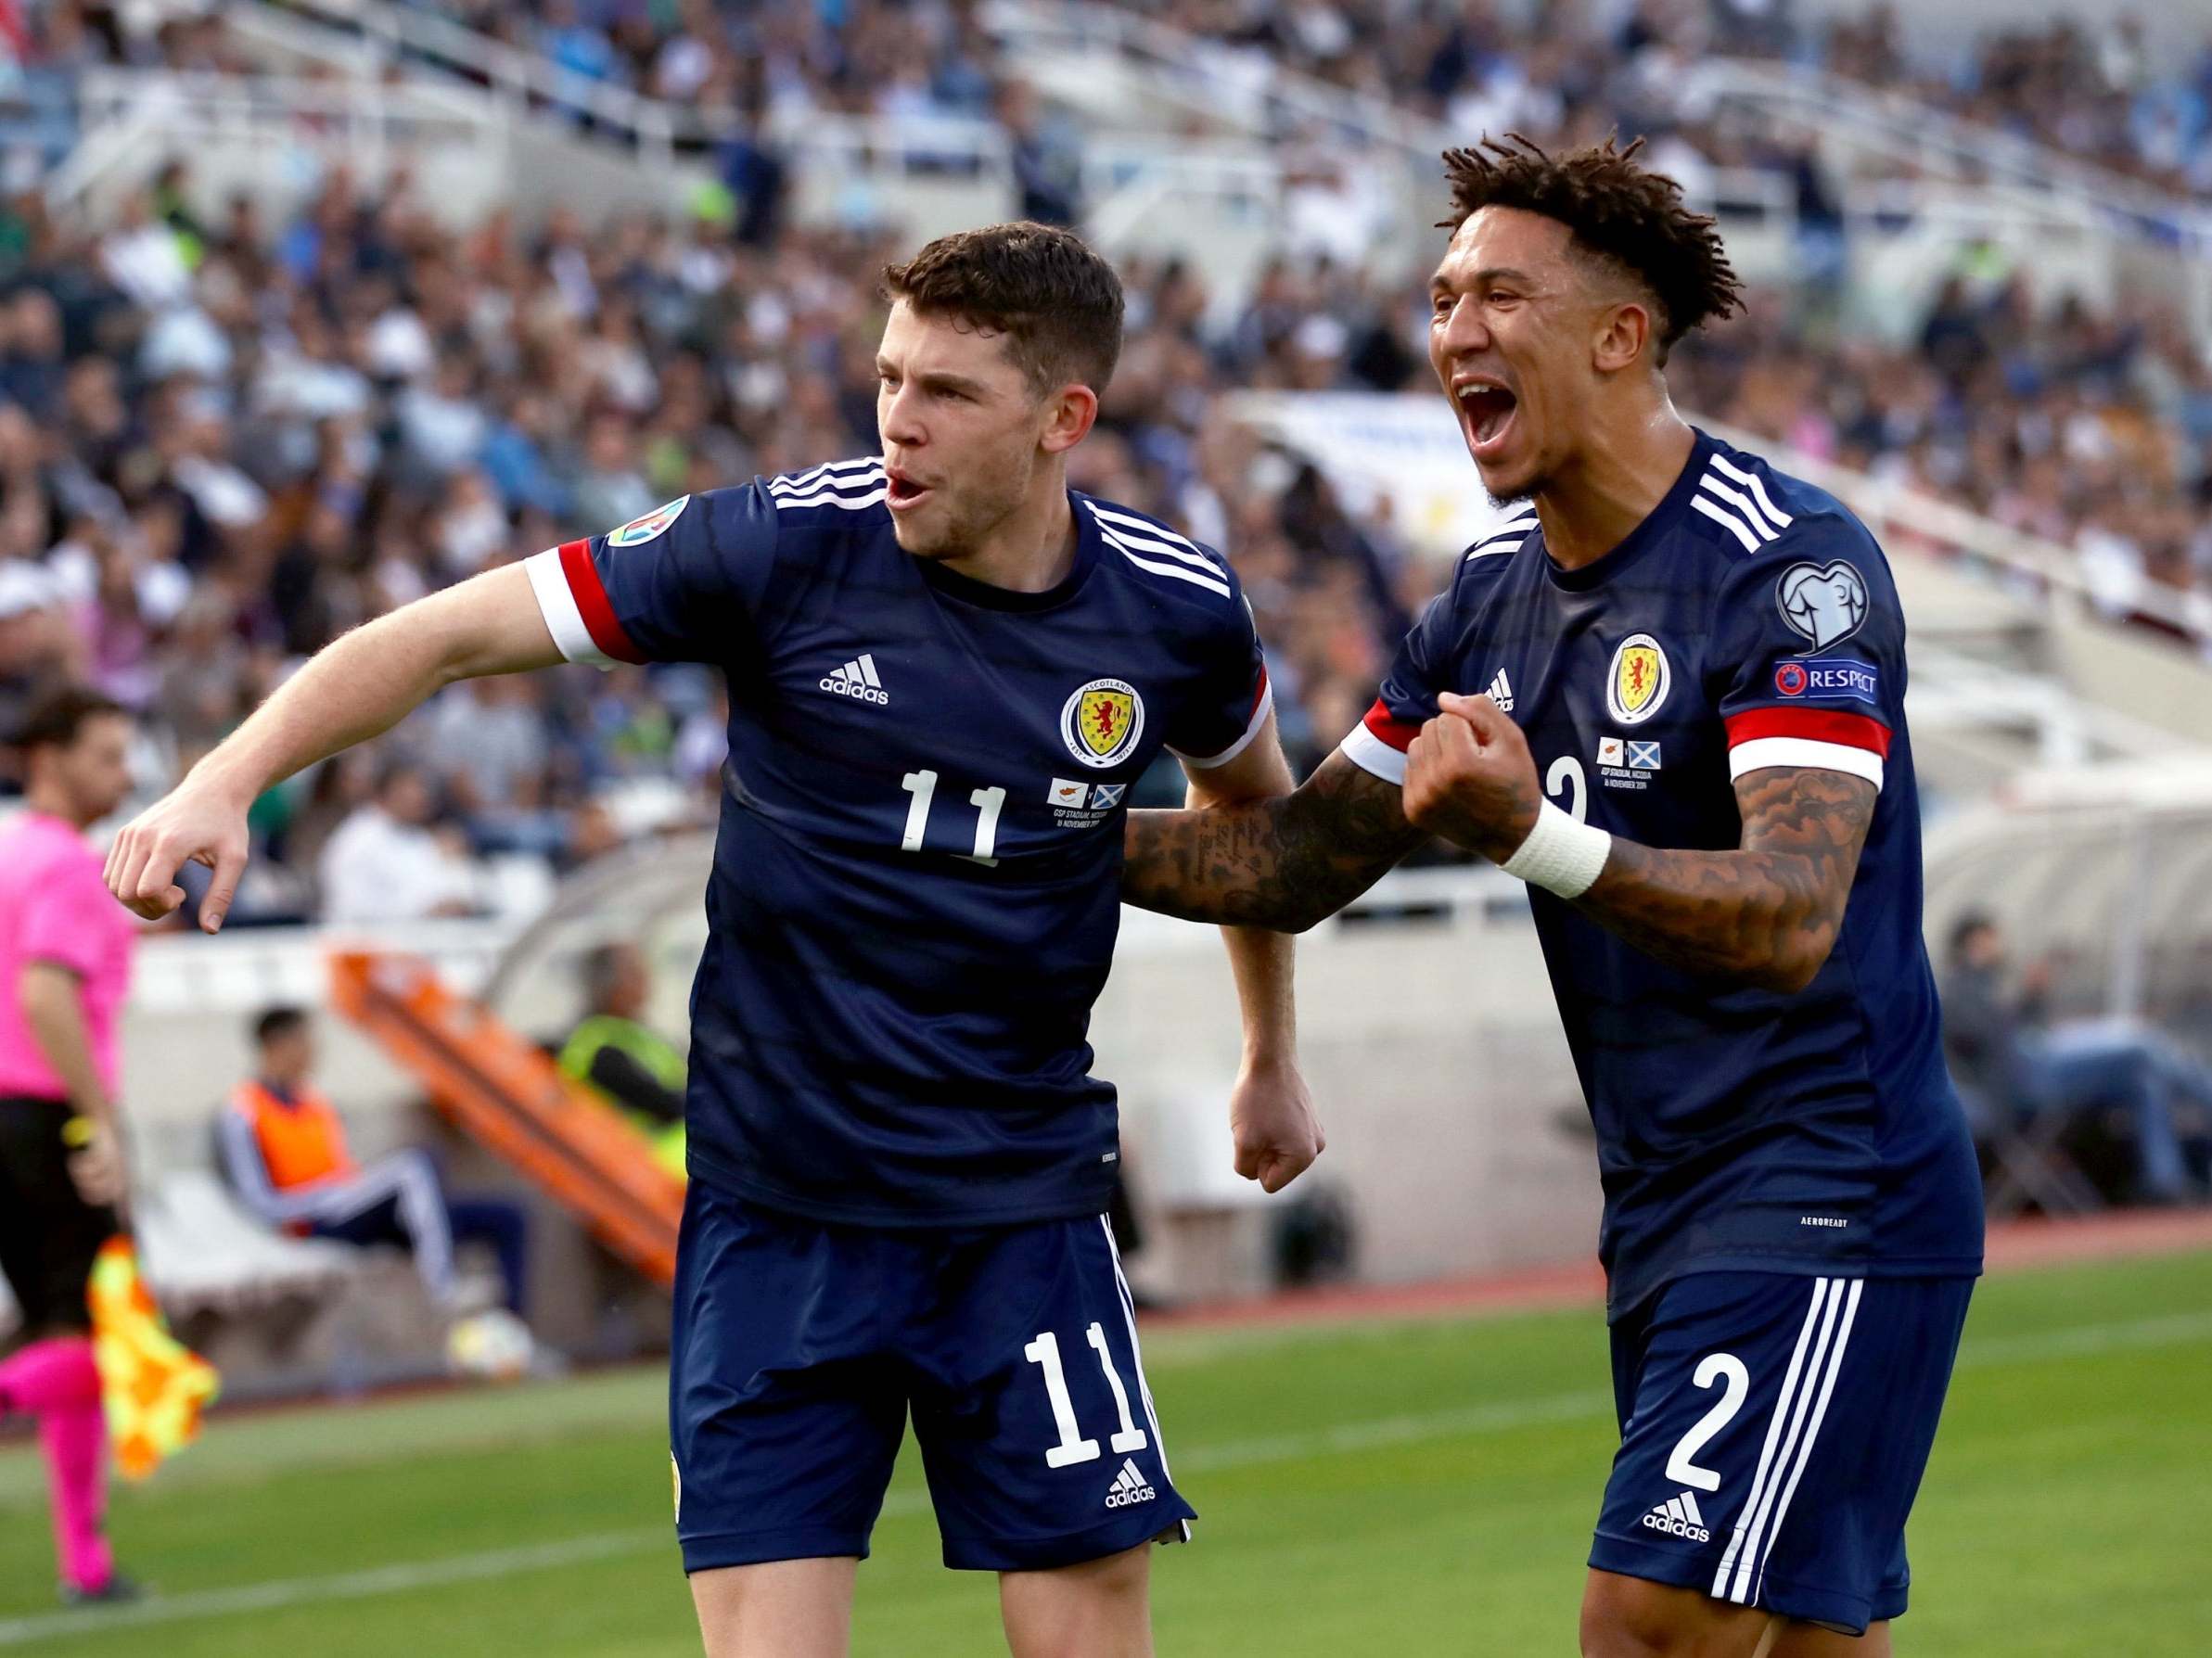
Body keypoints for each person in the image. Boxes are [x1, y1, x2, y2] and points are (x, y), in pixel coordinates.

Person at [102, 221, 1320, 1658]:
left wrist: (1269, 1057)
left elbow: (1260, 831)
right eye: (887, 379)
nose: (898, 424)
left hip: (1023, 1210)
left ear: (1064, 420)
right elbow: (440, 633)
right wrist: (224, 779)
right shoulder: (780, 546)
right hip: (778, 1217)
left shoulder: (1173, 611)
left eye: (946, 393)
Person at [1119, 136, 1984, 1657]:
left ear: (1618, 335)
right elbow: (1298, 857)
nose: (1452, 328)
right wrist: (1008, 826)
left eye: (1498, 293)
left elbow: (1795, 908)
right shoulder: (1485, 598)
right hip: (1666, 1202)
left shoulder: (1786, 568)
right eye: (1443, 297)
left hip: (1827, 1182)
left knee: (1644, 1621)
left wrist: (1537, 836)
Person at [0, 686, 141, 1605]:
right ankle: (82, 1558)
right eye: (104, 755)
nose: (123, 777)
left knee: (67, 1331)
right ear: (47, 759)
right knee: (84, 1340)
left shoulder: (9, 853)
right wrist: (97, 1124)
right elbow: (48, 997)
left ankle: (84, 1560)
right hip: (45, 1114)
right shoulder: (64, 864)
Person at [218, 1005, 530, 1314]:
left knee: (509, 1217)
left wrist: (351, 1189)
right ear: (276, 1044)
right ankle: (444, 1290)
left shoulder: (315, 1103)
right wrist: (323, 1200)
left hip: (354, 1209)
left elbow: (341, 1168)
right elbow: (258, 1201)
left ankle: (515, 1337)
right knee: (415, 1165)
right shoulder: (243, 1111)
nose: (314, 1050)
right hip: (315, 1222)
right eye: (305, 1040)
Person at [1942, 912, 2208, 1205]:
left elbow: (2022, 1027)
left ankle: (2165, 1181)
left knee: (2144, 1082)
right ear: (1972, 943)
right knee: (2139, 1044)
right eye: (1991, 939)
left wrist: (2032, 997)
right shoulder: (1956, 990)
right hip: (2027, 1080)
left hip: (2035, 1064)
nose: (2000, 947)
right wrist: (2018, 1000)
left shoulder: (1986, 986)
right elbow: (1992, 1039)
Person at [558, 940, 687, 1175]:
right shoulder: (598, 1048)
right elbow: (666, 1104)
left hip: (674, 1155)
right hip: (651, 1165)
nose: (646, 980)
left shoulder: (635, 1033)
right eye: (635, 972)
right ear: (607, 985)